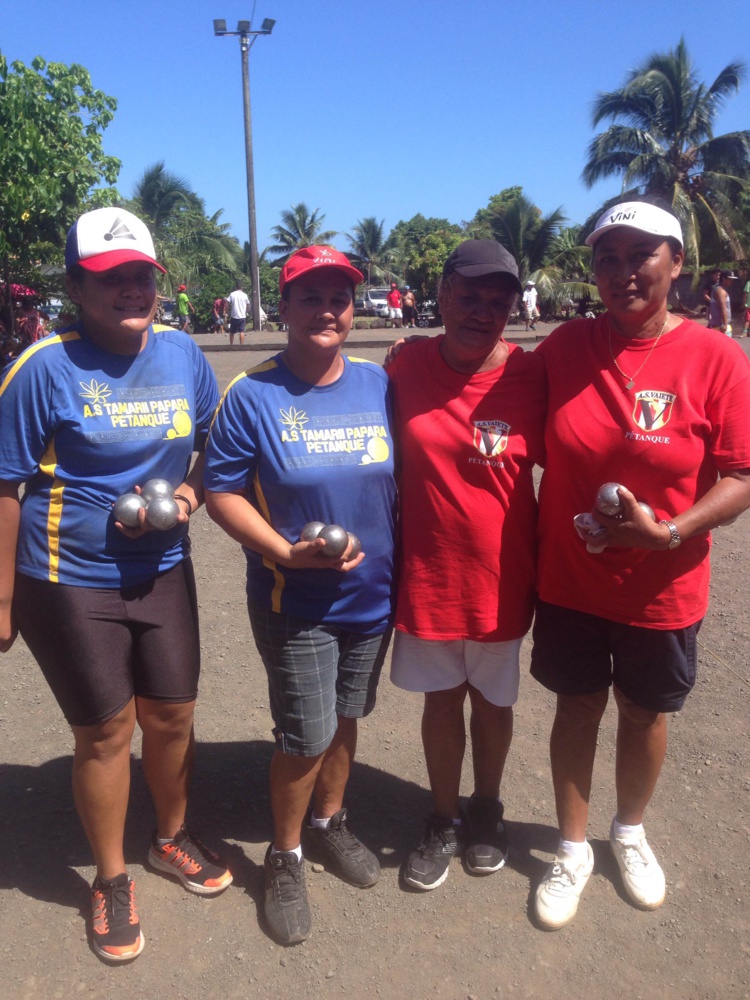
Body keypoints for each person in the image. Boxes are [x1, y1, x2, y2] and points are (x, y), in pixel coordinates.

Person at [0, 207, 231, 964]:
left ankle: (169, 838)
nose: (131, 289)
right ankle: (109, 877)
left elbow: (212, 445)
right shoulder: (42, 368)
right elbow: (5, 487)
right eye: (110, 278)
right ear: (74, 286)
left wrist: (191, 498)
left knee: (172, 716)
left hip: (162, 567)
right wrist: (1, 600)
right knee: (106, 731)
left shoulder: (182, 353)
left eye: (141, 275)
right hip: (68, 577)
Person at [531, 200, 750, 930]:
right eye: (607, 259)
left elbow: (741, 475)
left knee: (645, 711)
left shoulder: (718, 357)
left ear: (676, 262)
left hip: (665, 584)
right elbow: (491, 381)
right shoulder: (566, 347)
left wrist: (672, 532)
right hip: (572, 579)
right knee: (577, 706)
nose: (622, 272)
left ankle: (627, 831)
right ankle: (570, 848)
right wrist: (415, 355)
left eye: (640, 256)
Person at [204, 246, 397, 945]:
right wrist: (284, 551)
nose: (326, 309)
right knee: (305, 732)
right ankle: (283, 855)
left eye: (339, 297)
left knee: (346, 717)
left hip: (374, 596)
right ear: (281, 308)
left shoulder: (379, 384)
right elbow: (219, 490)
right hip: (298, 600)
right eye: (309, 296)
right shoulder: (253, 393)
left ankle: (328, 823)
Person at [387, 240, 546, 891]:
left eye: (498, 298)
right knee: (441, 701)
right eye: (470, 295)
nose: (483, 309)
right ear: (444, 294)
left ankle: (488, 809)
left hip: (502, 581)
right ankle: (444, 817)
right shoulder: (402, 367)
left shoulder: (535, 375)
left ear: (513, 303)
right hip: (427, 576)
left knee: (494, 702)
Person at [708, 270, 738, 336]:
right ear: (724, 278)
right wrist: (725, 324)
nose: (731, 281)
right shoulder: (720, 291)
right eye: (729, 279)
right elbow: (722, 308)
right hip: (720, 326)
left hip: (720, 325)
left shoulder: (721, 290)